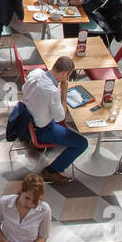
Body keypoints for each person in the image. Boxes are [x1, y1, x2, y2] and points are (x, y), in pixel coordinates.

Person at [21, 55, 89, 183]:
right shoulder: (52, 92)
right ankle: (52, 170)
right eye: (68, 75)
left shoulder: (35, 73)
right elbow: (60, 118)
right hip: (42, 130)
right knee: (82, 143)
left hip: (27, 119)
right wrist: (63, 92)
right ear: (65, 73)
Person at [0, 174, 51, 242]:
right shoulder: (4, 203)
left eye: (35, 201)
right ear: (21, 190)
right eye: (27, 198)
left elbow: (43, 236)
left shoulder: (44, 210)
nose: (30, 204)